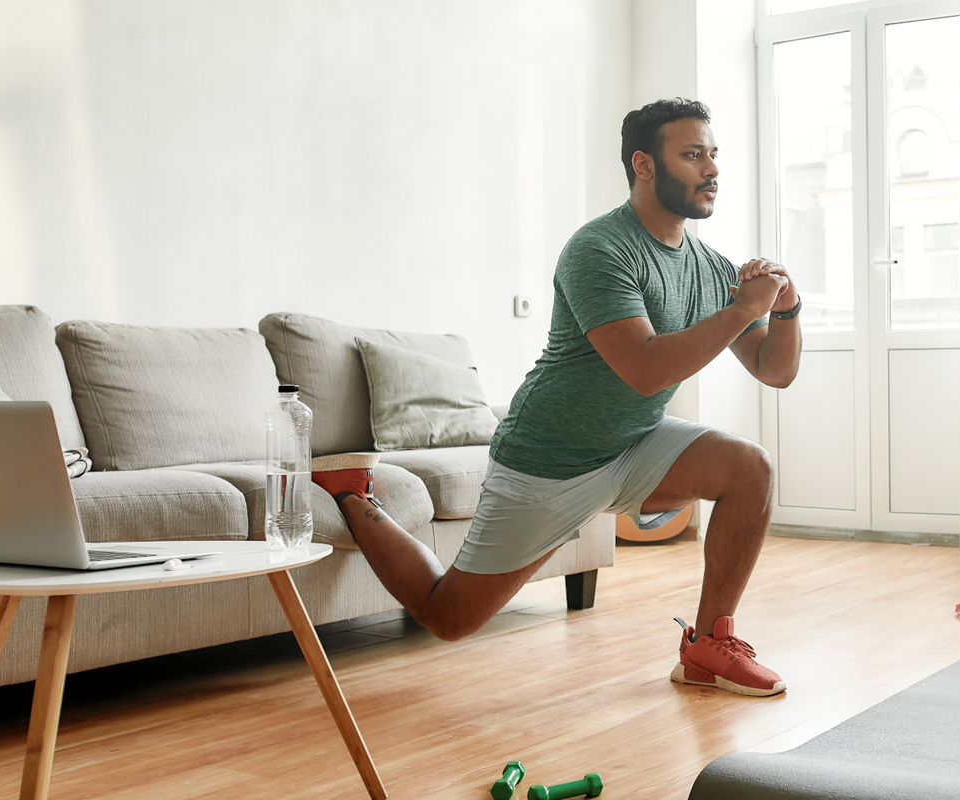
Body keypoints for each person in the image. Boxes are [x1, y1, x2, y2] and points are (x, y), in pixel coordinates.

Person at [312, 98, 802, 697]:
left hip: (634, 444)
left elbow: (774, 371)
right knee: (447, 617)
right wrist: (741, 308)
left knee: (750, 468)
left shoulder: (708, 266)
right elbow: (643, 371)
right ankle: (355, 496)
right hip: (548, 460)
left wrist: (785, 310)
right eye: (693, 155)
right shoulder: (599, 249)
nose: (712, 170)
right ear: (644, 165)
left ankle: (708, 648)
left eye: (713, 155)